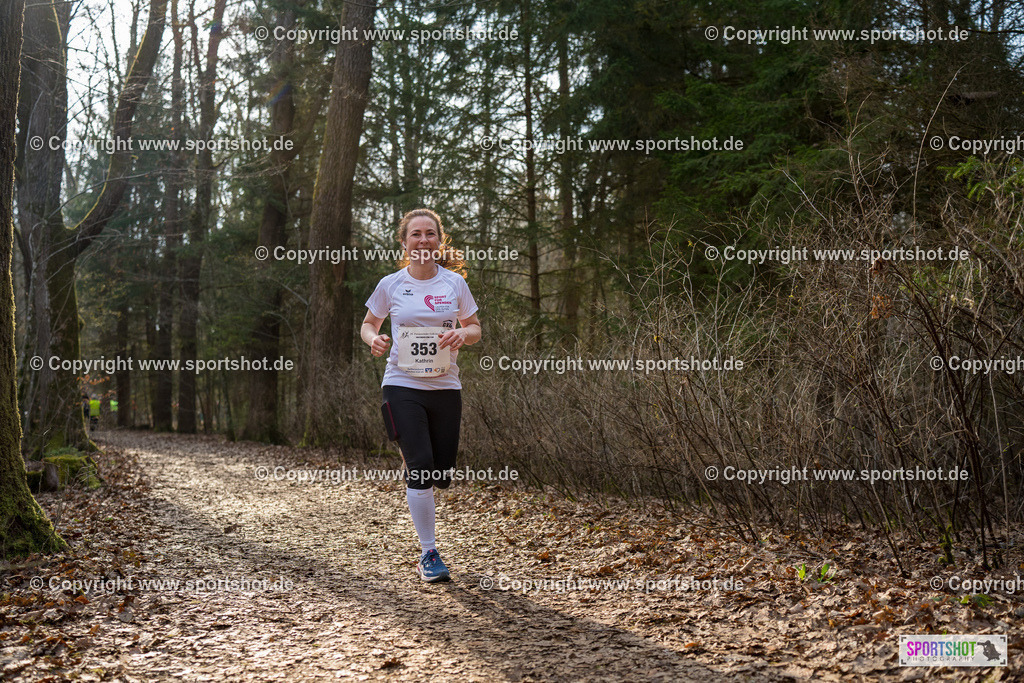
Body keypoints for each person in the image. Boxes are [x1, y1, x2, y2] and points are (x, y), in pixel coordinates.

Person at [361, 208, 482, 583]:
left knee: (439, 472)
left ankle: (417, 468)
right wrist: (375, 340)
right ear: (405, 242)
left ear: (439, 241)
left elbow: (475, 327)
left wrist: (463, 335)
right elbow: (368, 324)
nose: (423, 240)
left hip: (446, 386)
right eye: (416, 234)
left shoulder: (454, 285)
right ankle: (429, 552)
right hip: (401, 383)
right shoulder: (391, 285)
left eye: (430, 233)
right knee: (422, 465)